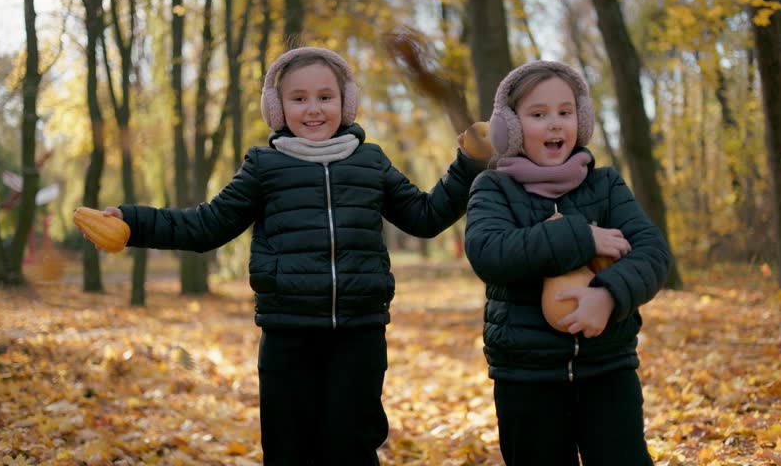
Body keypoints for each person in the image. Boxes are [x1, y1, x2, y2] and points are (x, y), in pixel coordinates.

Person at [76, 47, 487, 465]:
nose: (313, 109)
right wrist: (133, 222)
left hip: (359, 334)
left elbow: (425, 216)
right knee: (289, 448)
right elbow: (205, 226)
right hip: (288, 333)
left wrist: (468, 164)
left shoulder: (371, 162)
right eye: (299, 98)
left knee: (352, 447)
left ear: (345, 103)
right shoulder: (264, 167)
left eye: (325, 97)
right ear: (277, 107)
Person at [463, 60, 670, 465]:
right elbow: (489, 251)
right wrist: (582, 236)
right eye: (538, 115)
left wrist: (609, 296)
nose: (555, 124)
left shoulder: (605, 185)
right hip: (525, 374)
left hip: (607, 366)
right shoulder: (493, 188)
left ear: (583, 119)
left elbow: (652, 252)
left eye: (565, 112)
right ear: (512, 127)